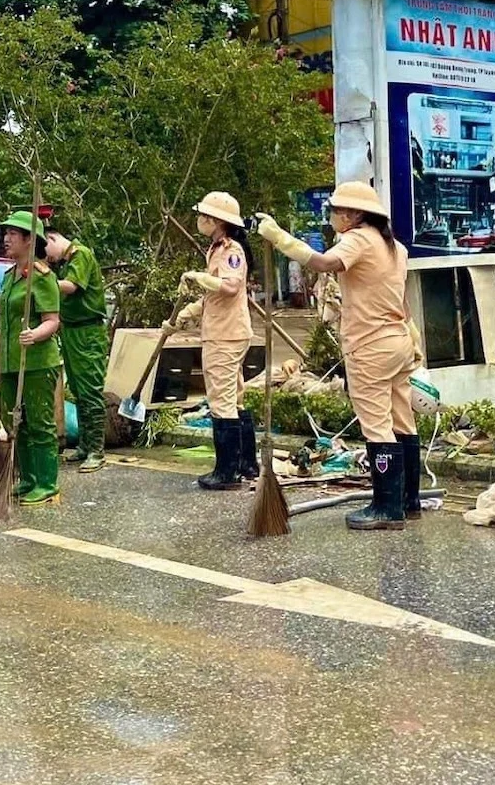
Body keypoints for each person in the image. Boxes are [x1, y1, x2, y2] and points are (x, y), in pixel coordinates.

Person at [258, 182, 415, 530]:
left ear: (354, 214)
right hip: (399, 341)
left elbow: (324, 263)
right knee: (402, 419)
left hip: (370, 345)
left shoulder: (357, 239)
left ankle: (387, 508)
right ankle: (408, 499)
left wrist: (280, 238)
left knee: (377, 426)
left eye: (334, 212)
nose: (330, 219)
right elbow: (401, 298)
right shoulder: (395, 247)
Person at [177, 191, 254, 493]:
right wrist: (190, 311)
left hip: (226, 335)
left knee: (221, 401)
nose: (199, 220)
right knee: (234, 398)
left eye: (203, 216)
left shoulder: (230, 250)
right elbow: (214, 294)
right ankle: (246, 464)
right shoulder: (216, 249)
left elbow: (231, 287)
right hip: (225, 329)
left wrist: (197, 277)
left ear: (216, 220)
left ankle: (227, 472)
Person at [0, 210, 64, 506]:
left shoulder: (43, 277)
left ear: (28, 240)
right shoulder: (9, 277)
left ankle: (47, 482)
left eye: (13, 234)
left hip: (37, 362)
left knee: (38, 422)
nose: (6, 239)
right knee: (12, 420)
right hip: (11, 362)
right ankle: (27, 478)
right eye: (6, 233)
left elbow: (53, 320)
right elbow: (4, 325)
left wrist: (35, 334)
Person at [45, 227, 108, 472]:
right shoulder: (66, 260)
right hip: (71, 331)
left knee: (90, 389)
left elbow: (71, 286)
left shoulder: (80, 254)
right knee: (78, 390)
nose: (48, 258)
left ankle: (96, 450)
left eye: (46, 250)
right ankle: (84, 445)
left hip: (87, 332)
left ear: (53, 238)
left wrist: (43, 279)